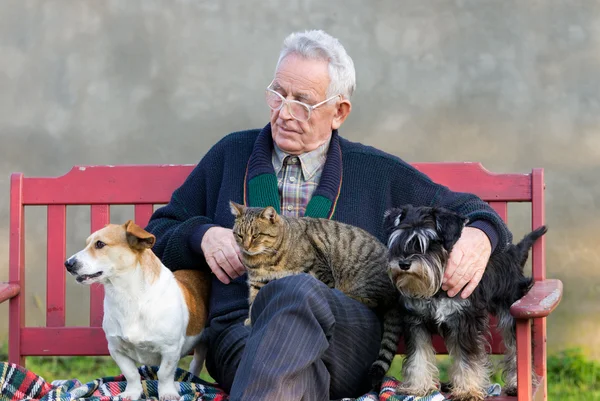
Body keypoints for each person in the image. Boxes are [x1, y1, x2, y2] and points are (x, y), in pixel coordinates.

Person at [145, 29, 512, 401]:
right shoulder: (230, 154)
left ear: (339, 112)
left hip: (347, 338)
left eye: (302, 102)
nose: (284, 112)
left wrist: (480, 235)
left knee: (297, 288)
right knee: (297, 375)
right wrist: (201, 235)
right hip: (242, 334)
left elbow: (471, 209)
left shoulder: (374, 170)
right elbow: (157, 233)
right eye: (278, 94)